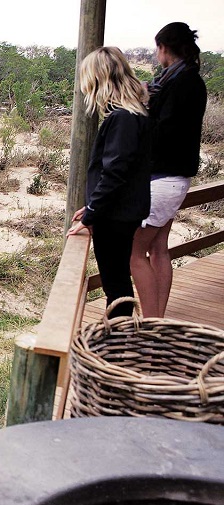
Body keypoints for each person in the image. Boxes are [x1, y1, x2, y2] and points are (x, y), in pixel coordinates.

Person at [130, 22, 207, 318]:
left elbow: (165, 129)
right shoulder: (190, 79)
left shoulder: (179, 82)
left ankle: (150, 324)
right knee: (159, 248)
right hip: (178, 177)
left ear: (164, 48)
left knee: (134, 254)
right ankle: (157, 317)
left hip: (163, 177)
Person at [67, 47, 151, 318]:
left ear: (98, 79)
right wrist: (92, 208)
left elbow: (114, 174)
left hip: (115, 217)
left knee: (115, 286)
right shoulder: (133, 115)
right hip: (120, 213)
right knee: (118, 282)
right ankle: (120, 336)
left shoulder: (122, 119)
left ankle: (118, 340)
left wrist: (92, 214)